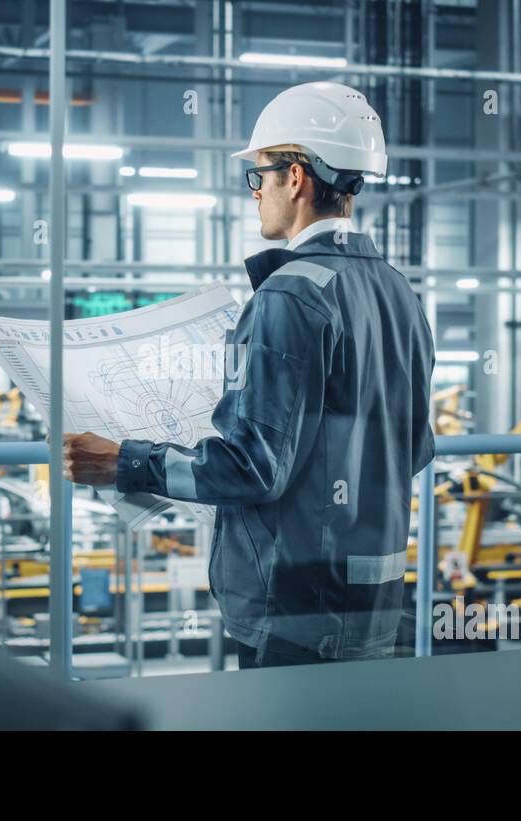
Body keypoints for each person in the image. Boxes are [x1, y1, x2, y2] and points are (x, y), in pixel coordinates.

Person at [65, 81, 435, 669]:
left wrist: (125, 462)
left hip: (295, 608)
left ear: (296, 177)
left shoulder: (289, 295)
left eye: (259, 174)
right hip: (374, 598)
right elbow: (413, 448)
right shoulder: (395, 289)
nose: (255, 191)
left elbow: (254, 468)